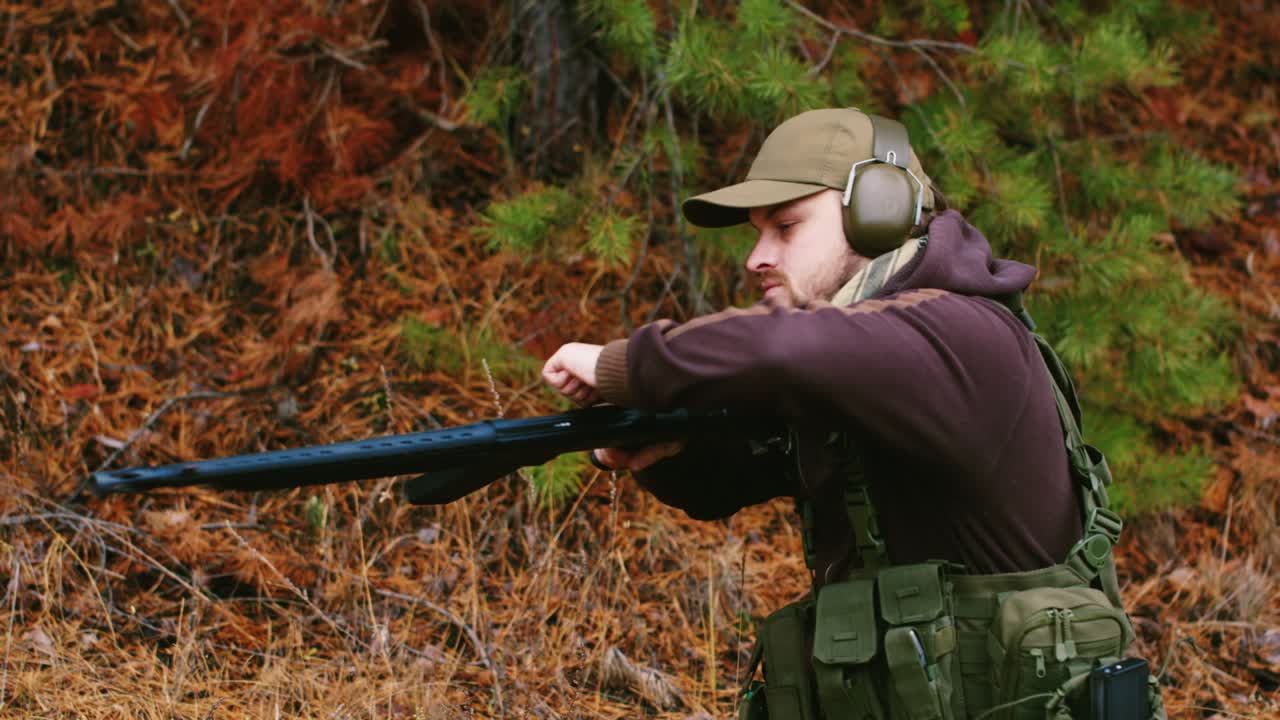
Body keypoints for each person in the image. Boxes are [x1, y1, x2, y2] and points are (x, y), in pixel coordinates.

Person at [541, 108, 1161, 720]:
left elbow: (786, 349)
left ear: (879, 212)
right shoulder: (865, 368)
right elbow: (742, 474)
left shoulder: (961, 335)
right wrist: (672, 455)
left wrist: (628, 365)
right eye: (756, 233)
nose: (757, 256)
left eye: (785, 227)